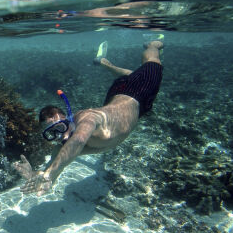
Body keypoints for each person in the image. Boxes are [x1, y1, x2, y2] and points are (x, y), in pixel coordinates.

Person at [14, 39, 164, 196]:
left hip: (139, 92)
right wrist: (35, 176)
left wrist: (50, 175)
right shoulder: (64, 147)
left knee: (151, 61)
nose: (60, 136)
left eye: (59, 127)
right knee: (129, 75)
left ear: (68, 119)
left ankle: (153, 44)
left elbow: (78, 140)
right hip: (118, 96)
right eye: (52, 134)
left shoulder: (88, 118)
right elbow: (53, 168)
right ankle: (105, 63)